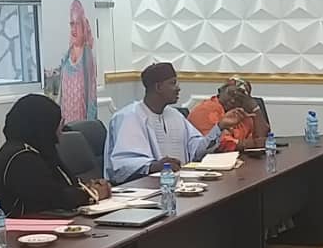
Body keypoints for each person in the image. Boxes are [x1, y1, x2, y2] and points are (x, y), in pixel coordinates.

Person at [104, 62, 251, 184]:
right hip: (143, 191)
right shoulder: (128, 117)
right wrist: (154, 166)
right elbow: (121, 165)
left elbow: (196, 152)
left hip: (181, 186)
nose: (178, 88)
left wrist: (220, 126)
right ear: (158, 87)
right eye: (173, 83)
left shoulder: (175, 115)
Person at [0, 94, 110, 216]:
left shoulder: (40, 148)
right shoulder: (21, 158)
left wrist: (87, 187)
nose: (60, 132)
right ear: (43, 126)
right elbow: (54, 198)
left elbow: (65, 184)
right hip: (16, 227)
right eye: (57, 125)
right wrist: (92, 194)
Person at [188, 76, 270, 152]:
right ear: (220, 91)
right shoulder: (206, 109)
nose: (233, 100)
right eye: (231, 94)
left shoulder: (243, 111)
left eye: (240, 98)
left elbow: (263, 139)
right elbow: (220, 144)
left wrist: (255, 108)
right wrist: (251, 144)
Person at [58, 0, 98, 124]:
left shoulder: (87, 55)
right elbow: (60, 95)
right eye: (72, 24)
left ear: (83, 26)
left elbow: (91, 95)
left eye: (77, 24)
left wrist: (90, 124)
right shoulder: (66, 57)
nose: (74, 29)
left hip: (81, 123)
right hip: (65, 123)